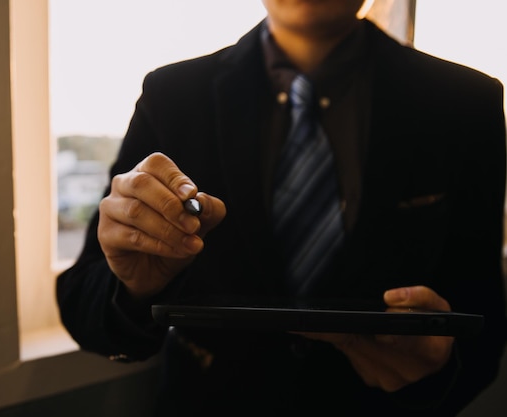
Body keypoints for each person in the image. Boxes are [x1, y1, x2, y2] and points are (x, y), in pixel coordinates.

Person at [56, 1, 507, 415]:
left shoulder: (467, 104)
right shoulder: (173, 95)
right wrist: (134, 288)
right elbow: (83, 300)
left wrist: (441, 369)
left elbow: (485, 314)